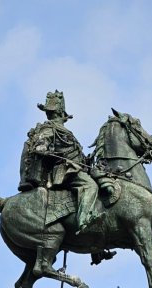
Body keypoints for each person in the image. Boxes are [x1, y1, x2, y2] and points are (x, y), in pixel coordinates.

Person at [18, 90, 102, 231]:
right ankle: (85, 220)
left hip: (76, 167)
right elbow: (42, 141)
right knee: (90, 186)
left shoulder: (60, 129)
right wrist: (42, 146)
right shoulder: (50, 128)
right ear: (61, 113)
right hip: (65, 171)